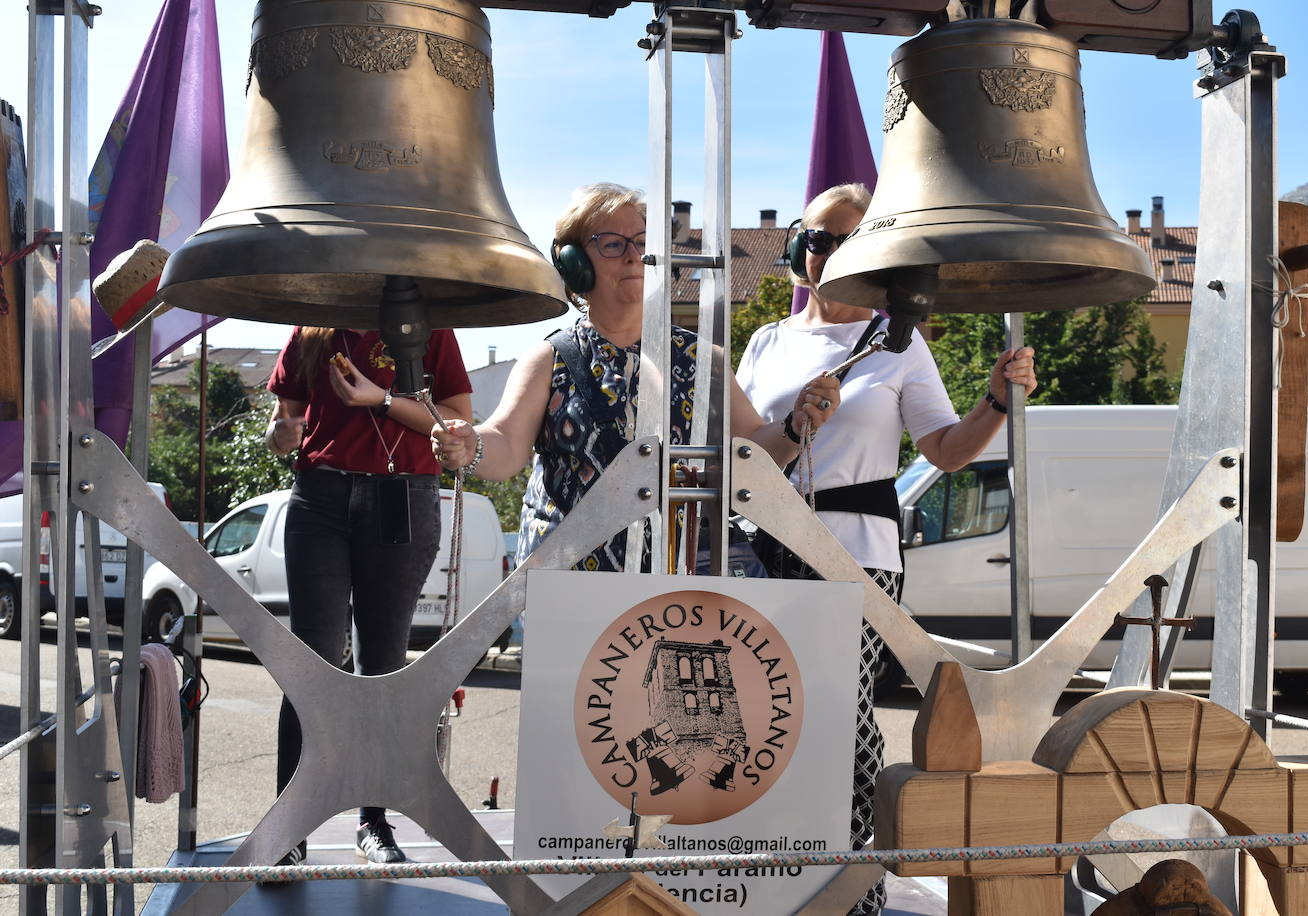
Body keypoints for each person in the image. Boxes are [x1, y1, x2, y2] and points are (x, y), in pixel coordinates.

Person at [735, 182, 1038, 916]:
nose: (830, 253)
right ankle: (784, 879)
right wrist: (796, 425)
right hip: (767, 550)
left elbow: (947, 450)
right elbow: (742, 455)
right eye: (817, 237)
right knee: (771, 718)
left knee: (840, 718)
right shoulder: (767, 343)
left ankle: (856, 889)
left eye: (848, 240)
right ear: (796, 250)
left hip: (859, 554)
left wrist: (996, 400)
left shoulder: (900, 347)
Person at [427, 182, 839, 573]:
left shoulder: (702, 360)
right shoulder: (549, 358)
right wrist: (472, 445)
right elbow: (507, 444)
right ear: (574, 263)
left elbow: (751, 452)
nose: (632, 255)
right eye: (612, 244)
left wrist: (793, 426)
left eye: (642, 243)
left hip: (674, 584)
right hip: (565, 584)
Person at [264, 325, 473, 867]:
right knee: (309, 667)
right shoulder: (310, 331)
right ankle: (290, 828)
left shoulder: (425, 326)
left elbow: (457, 423)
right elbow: (283, 423)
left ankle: (374, 822)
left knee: (382, 666)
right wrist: (280, 436)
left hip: (402, 494)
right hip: (320, 497)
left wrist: (381, 401)